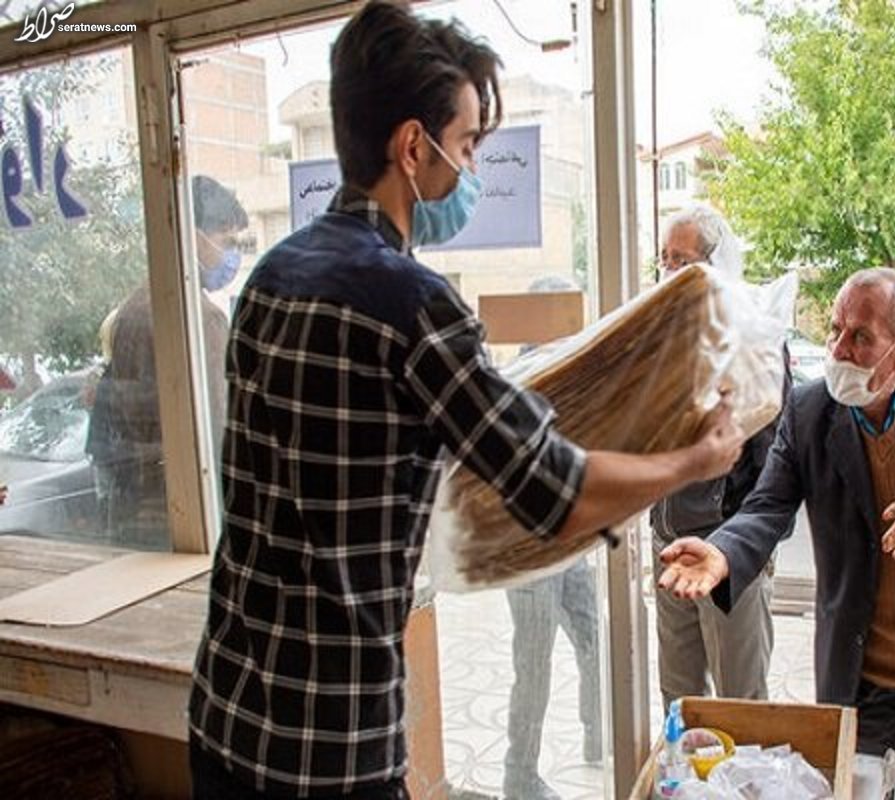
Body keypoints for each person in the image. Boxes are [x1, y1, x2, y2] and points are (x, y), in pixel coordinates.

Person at [187, 4, 745, 799]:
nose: (473, 170)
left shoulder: (270, 278)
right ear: (413, 149)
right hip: (330, 746)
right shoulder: (413, 303)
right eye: (469, 146)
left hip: (225, 711)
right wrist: (697, 456)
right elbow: (554, 490)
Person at [658, 267, 895, 800]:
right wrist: (722, 553)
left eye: (860, 336)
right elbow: (767, 506)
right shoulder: (810, 412)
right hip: (858, 675)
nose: (839, 348)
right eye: (835, 330)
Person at [651, 205, 785, 710]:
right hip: (669, 545)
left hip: (728, 552)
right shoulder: (665, 339)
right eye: (664, 260)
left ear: (714, 266)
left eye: (681, 260)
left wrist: (737, 544)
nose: (669, 272)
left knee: (741, 701)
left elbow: (774, 469)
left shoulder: (751, 341)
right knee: (679, 700)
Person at [85, 174, 246, 549]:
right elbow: (219, 430)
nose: (230, 255)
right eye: (226, 240)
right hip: (187, 510)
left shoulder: (135, 306)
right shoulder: (198, 318)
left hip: (139, 505)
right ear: (195, 234)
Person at [502, 276, 601, 800]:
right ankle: (519, 774)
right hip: (530, 555)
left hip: (570, 549)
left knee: (594, 641)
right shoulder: (519, 381)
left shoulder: (572, 370)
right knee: (533, 666)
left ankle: (598, 736)